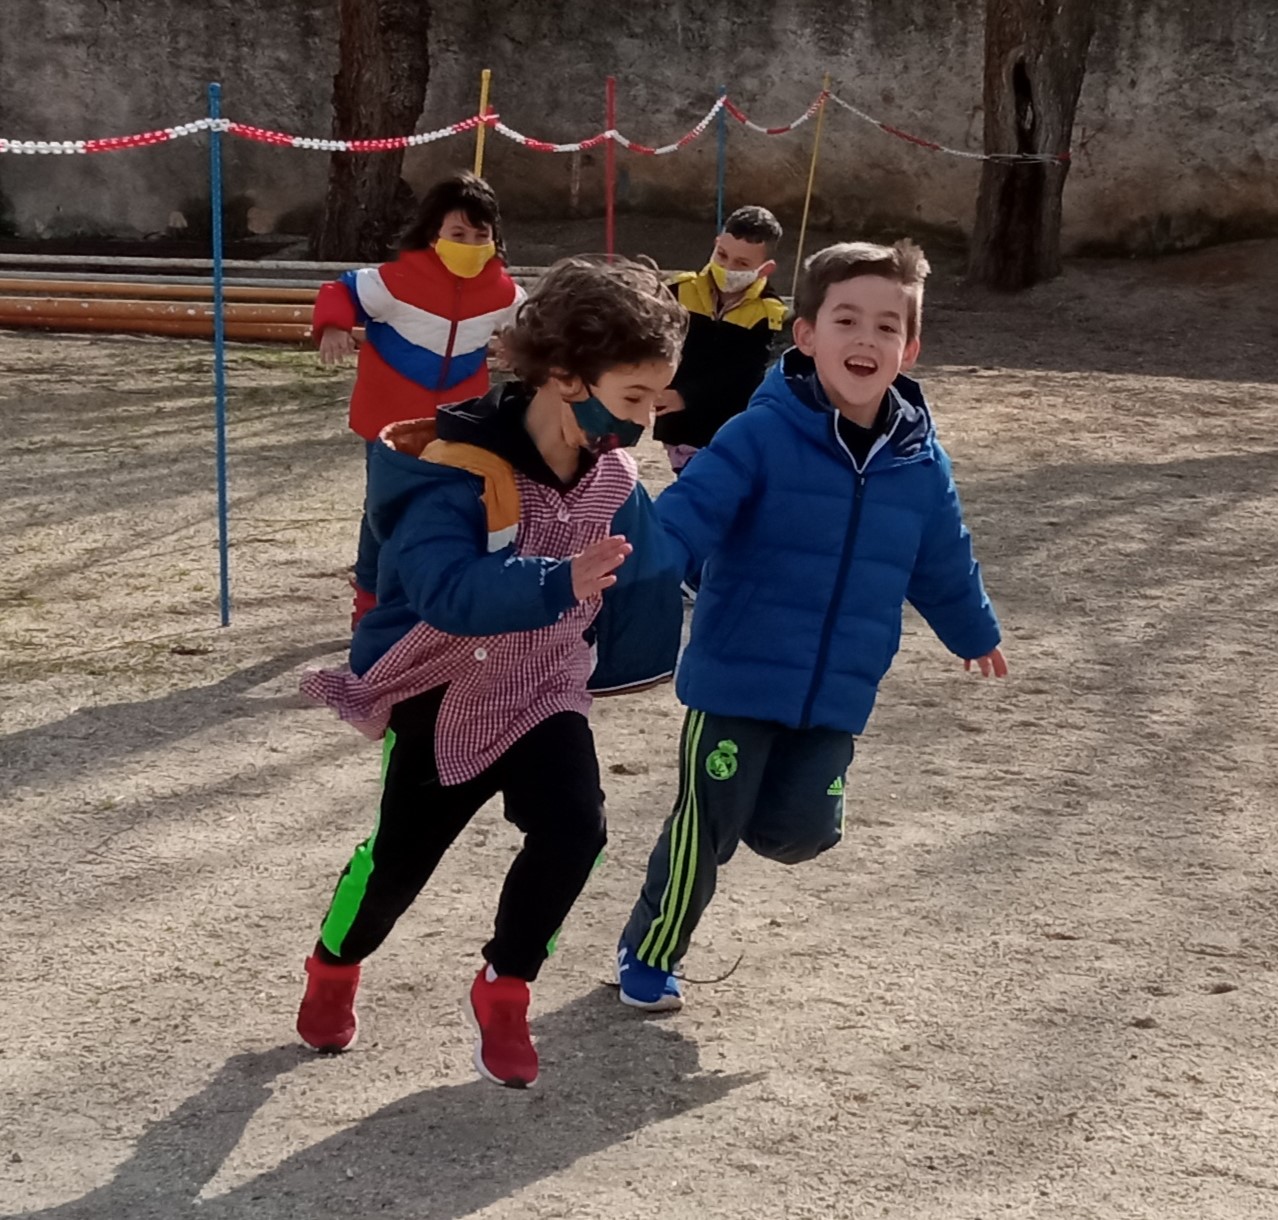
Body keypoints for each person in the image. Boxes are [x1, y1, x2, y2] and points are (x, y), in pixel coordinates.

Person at [296, 256, 687, 1088]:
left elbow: (665, 561)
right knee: (399, 863)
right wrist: (557, 580)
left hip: (546, 690)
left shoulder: (614, 475)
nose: (646, 424)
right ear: (562, 375)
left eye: (657, 401)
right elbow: (442, 589)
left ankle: (505, 988)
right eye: (632, 400)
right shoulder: (453, 463)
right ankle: (334, 964)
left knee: (577, 830)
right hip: (445, 689)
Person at [616, 239, 1008, 1012]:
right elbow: (691, 514)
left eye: (887, 327)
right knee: (707, 823)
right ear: (806, 334)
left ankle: (774, 815)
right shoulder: (759, 433)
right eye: (847, 320)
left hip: (837, 690)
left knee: (801, 831)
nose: (866, 341)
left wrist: (975, 631)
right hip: (737, 672)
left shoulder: (920, 463)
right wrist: (635, 563)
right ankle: (651, 952)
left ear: (911, 347)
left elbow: (943, 558)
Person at [312, 171, 524, 629]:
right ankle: (369, 605)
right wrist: (332, 325)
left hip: (459, 424)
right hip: (388, 424)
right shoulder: (395, 280)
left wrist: (518, 347)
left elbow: (526, 323)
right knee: (382, 514)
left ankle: (436, 595)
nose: (469, 243)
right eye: (457, 233)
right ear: (434, 235)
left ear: (494, 238)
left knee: (453, 507)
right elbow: (342, 289)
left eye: (480, 234)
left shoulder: (503, 291)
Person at [652, 205, 787, 480]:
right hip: (679, 428)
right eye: (722, 255)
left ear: (765, 269)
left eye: (742, 264)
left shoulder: (770, 315)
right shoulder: (677, 291)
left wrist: (686, 396)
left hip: (731, 430)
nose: (727, 268)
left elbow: (747, 377)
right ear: (715, 245)